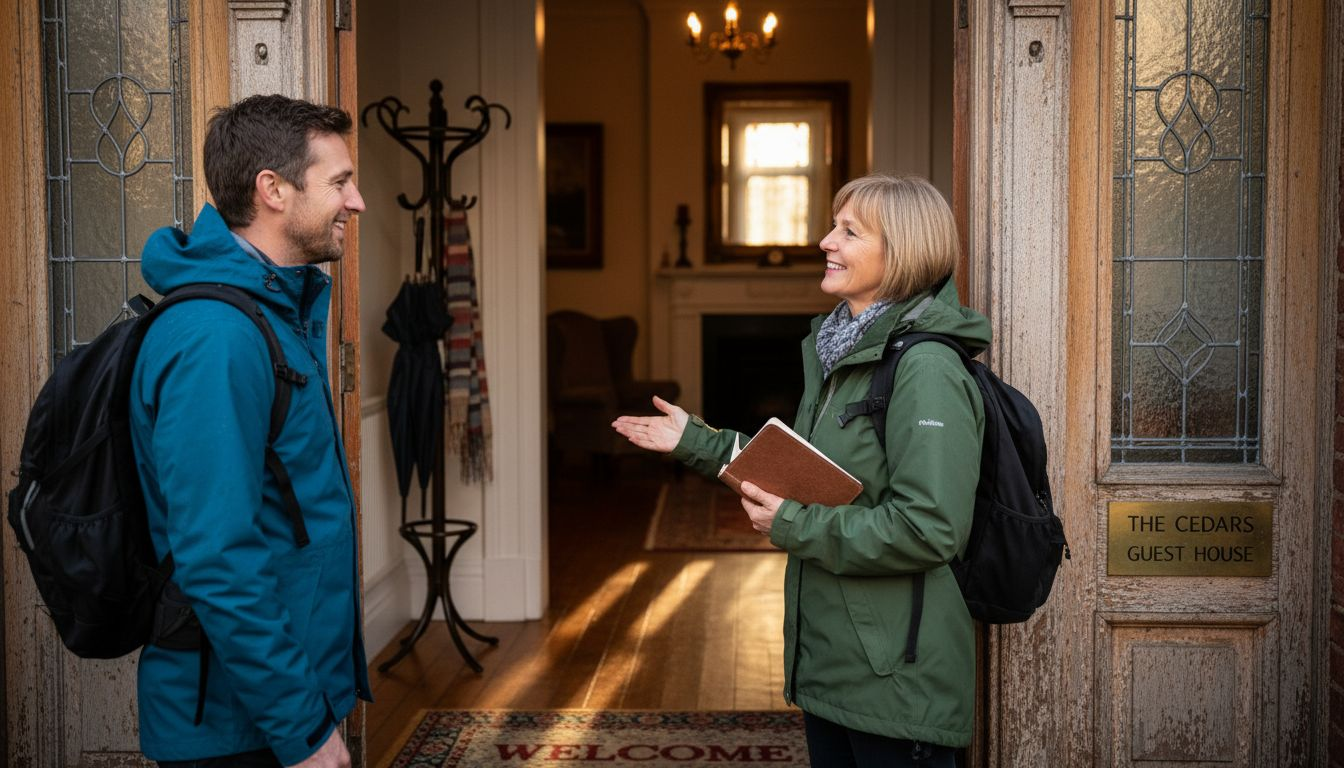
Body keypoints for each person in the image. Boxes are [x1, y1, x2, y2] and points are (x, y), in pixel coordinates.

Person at [613, 174, 987, 767]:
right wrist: (698, 442)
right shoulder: (842, 354)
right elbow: (801, 470)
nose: (823, 241)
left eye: (847, 231)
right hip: (836, 668)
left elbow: (930, 528)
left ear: (903, 251)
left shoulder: (927, 370)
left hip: (895, 677)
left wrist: (791, 524)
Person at [129, 94, 370, 768]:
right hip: (238, 730)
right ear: (272, 190)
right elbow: (217, 557)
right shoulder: (216, 337)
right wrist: (305, 733)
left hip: (282, 704)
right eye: (340, 182)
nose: (356, 203)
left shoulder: (272, 310)